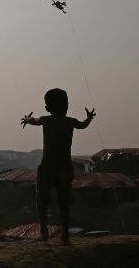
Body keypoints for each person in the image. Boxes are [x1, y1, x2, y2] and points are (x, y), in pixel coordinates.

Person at [21, 89, 96, 246]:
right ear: (67, 106)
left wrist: (28, 119)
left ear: (47, 108)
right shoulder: (70, 121)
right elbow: (83, 125)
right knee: (63, 203)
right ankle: (64, 236)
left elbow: (34, 120)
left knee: (42, 200)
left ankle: (44, 232)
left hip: (48, 166)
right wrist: (89, 118)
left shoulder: (46, 120)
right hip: (63, 167)